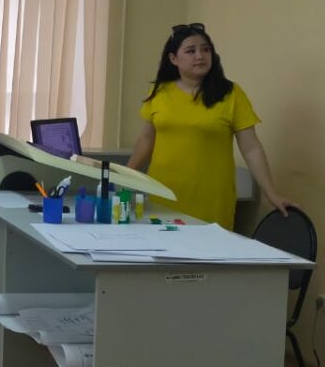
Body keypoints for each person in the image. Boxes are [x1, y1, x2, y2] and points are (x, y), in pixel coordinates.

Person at [126, 23, 294, 230]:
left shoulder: (231, 94)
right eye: (191, 51)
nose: (200, 56)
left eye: (205, 50)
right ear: (173, 58)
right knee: (162, 247)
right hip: (164, 194)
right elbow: (146, 138)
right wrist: (127, 175)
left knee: (209, 247)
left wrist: (272, 193)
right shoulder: (159, 92)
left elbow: (251, 148)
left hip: (211, 198)